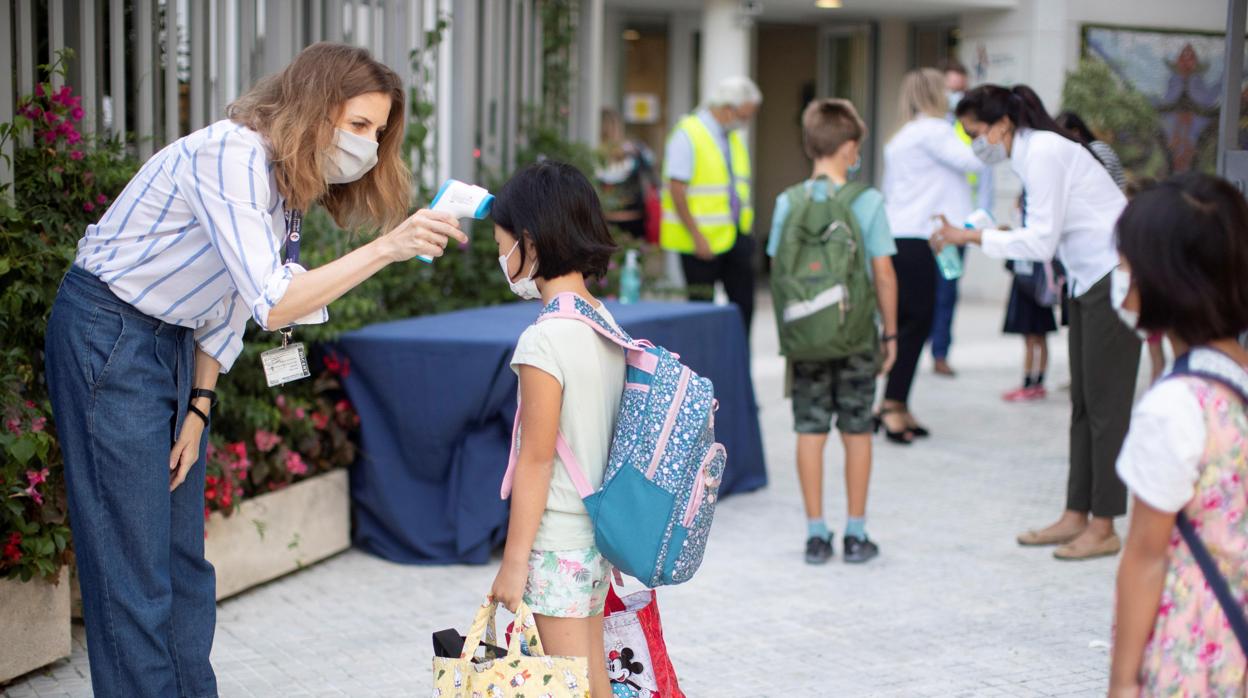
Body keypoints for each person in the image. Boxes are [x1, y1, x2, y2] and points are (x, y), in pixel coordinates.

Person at [42, 43, 466, 697]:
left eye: (378, 133)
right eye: (359, 126)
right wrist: (390, 247)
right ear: (314, 107)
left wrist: (199, 407)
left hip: (173, 343)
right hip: (110, 330)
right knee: (133, 567)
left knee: (184, 565)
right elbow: (273, 301)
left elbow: (227, 302)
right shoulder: (231, 155)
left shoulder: (280, 178)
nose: (368, 145)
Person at [934, 84, 1140, 561]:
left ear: (1002, 124)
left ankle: (1105, 525)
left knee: (1106, 407)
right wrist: (978, 235)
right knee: (1084, 404)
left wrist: (970, 235)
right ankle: (1075, 514)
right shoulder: (1031, 153)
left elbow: (1041, 243)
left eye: (975, 132)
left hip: (1114, 278)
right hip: (1088, 279)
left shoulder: (1043, 151)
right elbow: (1044, 235)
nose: (973, 144)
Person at [1108, 173, 1248, 696]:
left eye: (1125, 266)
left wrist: (1122, 682)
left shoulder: (1174, 407)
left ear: (1163, 279)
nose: (1120, 280)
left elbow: (1147, 555)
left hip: (1197, 656)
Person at [489, 162, 622, 698]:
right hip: (595, 541)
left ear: (529, 243)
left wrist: (513, 564)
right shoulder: (604, 321)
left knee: (572, 689)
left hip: (556, 543)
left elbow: (537, 458)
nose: (501, 260)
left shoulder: (545, 341)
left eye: (503, 247)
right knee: (593, 685)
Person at [766, 99, 899, 565]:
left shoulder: (788, 202)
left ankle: (816, 535)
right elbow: (884, 274)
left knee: (810, 429)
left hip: (806, 337)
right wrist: (891, 335)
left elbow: (778, 267)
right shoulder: (867, 202)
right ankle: (857, 534)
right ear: (848, 149)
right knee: (857, 429)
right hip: (857, 335)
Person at [879, 68, 981, 443]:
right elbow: (974, 161)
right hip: (921, 237)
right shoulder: (934, 132)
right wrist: (991, 133)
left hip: (901, 236)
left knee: (906, 323)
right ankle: (892, 405)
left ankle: (896, 402)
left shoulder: (904, 135)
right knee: (915, 325)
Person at [661, 76, 762, 335]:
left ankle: (737, 369)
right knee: (700, 315)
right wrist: (697, 236)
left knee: (744, 309)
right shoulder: (688, 133)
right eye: (744, 115)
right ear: (728, 109)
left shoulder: (733, 138)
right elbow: (676, 189)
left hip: (735, 236)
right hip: (699, 242)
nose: (745, 121)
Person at [929, 58, 994, 378]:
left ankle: (940, 352)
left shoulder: (971, 131)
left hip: (958, 228)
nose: (956, 95)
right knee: (919, 292)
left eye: (961, 89)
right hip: (925, 226)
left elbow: (984, 181)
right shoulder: (930, 128)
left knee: (946, 291)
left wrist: (976, 223)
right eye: (950, 89)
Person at [597, 107, 658, 241]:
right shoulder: (594, 155)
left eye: (614, 127)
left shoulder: (635, 150)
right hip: (611, 220)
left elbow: (652, 169)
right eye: (609, 127)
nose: (612, 132)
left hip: (629, 219)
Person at [1056, 111, 1128, 191]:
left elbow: (1099, 184)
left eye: (1062, 135)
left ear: (1075, 132)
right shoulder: (1083, 154)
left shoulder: (1098, 149)